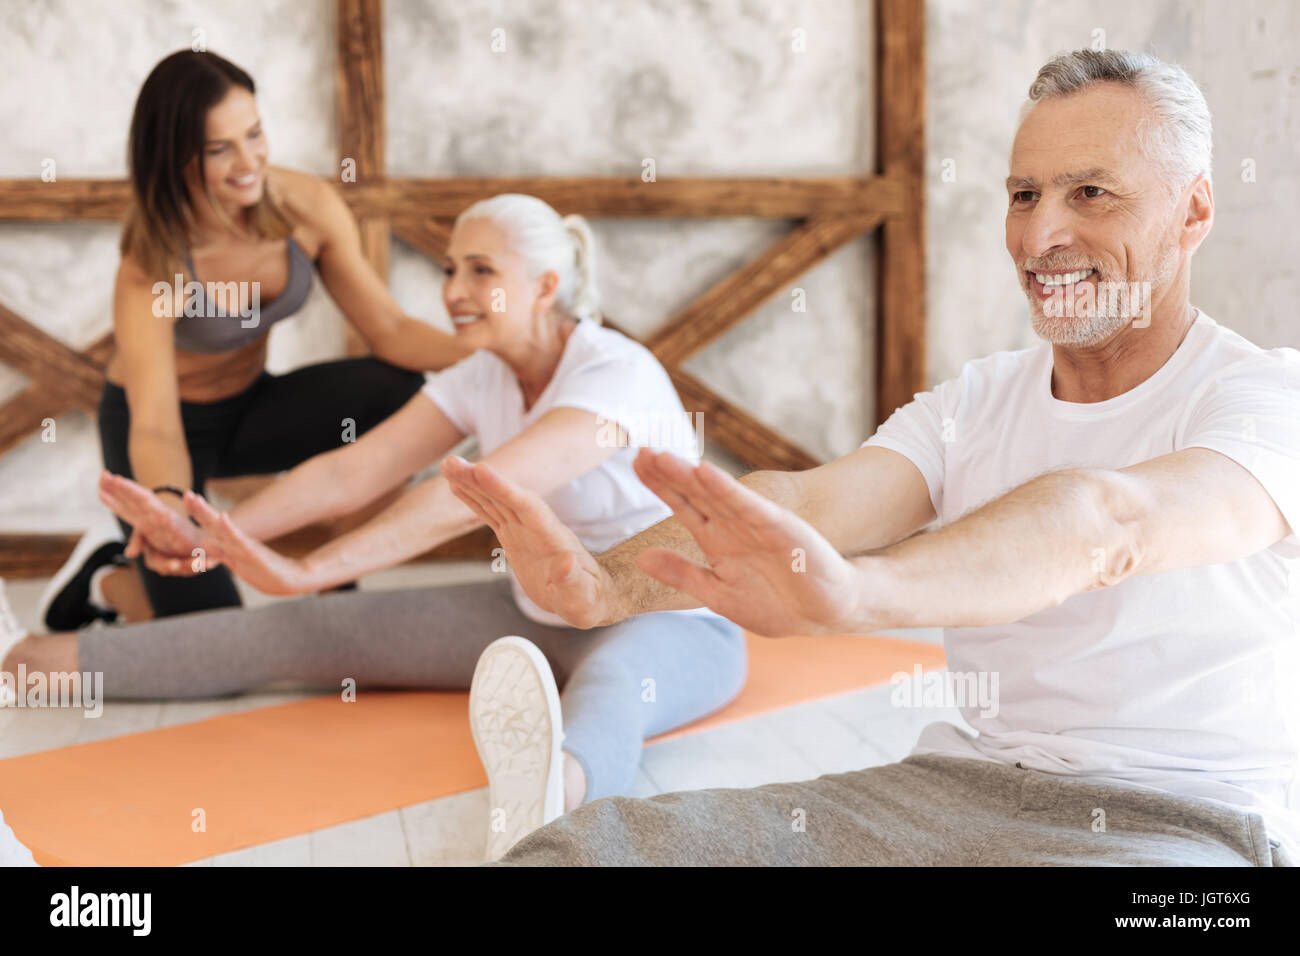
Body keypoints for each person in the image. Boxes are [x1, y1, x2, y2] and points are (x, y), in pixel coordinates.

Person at [442, 50, 1300, 866]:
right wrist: (606, 585)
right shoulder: (978, 400)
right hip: (949, 795)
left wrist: (858, 595)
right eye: (1025, 194)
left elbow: (1108, 523)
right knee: (574, 851)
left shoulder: (1265, 399)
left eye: (1090, 194)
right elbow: (813, 504)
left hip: (1188, 832)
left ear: (1193, 212)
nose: (1041, 236)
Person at [3, 194, 747, 861]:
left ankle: (541, 826)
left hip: (672, 619)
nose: (452, 291)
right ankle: (23, 660)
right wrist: (211, 534)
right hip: (536, 610)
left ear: (545, 287)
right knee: (299, 632)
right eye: (449, 268)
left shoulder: (615, 375)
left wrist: (306, 568)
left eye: (479, 270)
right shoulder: (480, 377)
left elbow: (474, 497)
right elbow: (350, 472)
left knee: (613, 686)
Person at [40, 48, 469, 630]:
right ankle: (107, 579)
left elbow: (389, 331)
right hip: (160, 430)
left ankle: (333, 579)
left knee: (395, 391)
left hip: (249, 410)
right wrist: (169, 512)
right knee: (213, 636)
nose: (249, 161)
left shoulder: (307, 209)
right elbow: (156, 422)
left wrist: (505, 347)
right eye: (220, 149)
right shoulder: (151, 263)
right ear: (175, 159)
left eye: (255, 134)